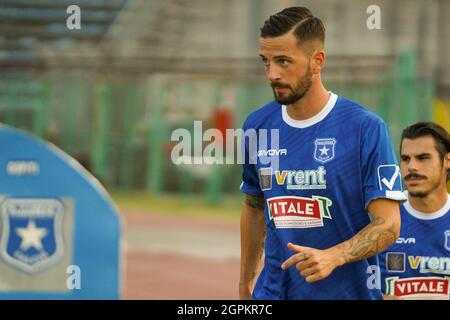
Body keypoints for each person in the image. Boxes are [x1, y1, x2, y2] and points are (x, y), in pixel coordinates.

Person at [239, 6, 406, 300]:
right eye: (266, 61)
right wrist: (245, 284)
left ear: (317, 61)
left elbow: (389, 224)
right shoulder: (257, 125)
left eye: (283, 61)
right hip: (273, 293)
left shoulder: (364, 128)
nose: (272, 74)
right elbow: (254, 207)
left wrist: (334, 256)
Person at [379, 122, 450, 300]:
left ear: (447, 160)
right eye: (405, 159)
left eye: (423, 158)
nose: (412, 167)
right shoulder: (383, 215)